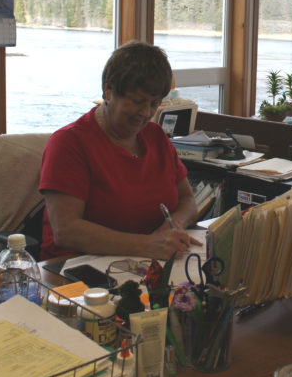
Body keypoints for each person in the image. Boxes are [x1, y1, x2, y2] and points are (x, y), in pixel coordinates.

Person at [39, 41, 200, 261]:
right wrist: (148, 245)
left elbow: (188, 200)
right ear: (108, 90)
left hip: (145, 262)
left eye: (154, 104)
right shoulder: (69, 143)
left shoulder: (156, 136)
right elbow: (66, 230)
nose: (145, 112)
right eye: (136, 101)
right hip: (77, 269)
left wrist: (170, 230)